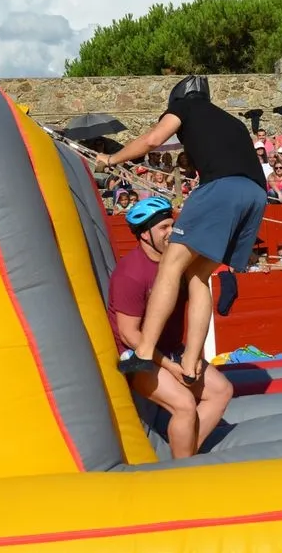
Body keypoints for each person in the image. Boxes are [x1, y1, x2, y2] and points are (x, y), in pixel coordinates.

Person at [96, 75, 268, 386]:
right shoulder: (233, 121)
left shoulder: (186, 108)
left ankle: (144, 352)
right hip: (255, 195)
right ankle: (190, 363)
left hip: (221, 188)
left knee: (170, 266)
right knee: (198, 275)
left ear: (179, 98)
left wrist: (112, 159)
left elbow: (153, 140)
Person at [107, 197, 233, 459]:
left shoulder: (181, 262)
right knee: (185, 405)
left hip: (172, 350)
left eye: (172, 225)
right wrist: (171, 366)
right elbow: (129, 335)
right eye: (163, 227)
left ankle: (182, 456)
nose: (171, 232)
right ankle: (182, 467)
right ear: (145, 234)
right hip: (137, 358)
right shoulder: (130, 273)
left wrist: (192, 356)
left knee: (222, 391)